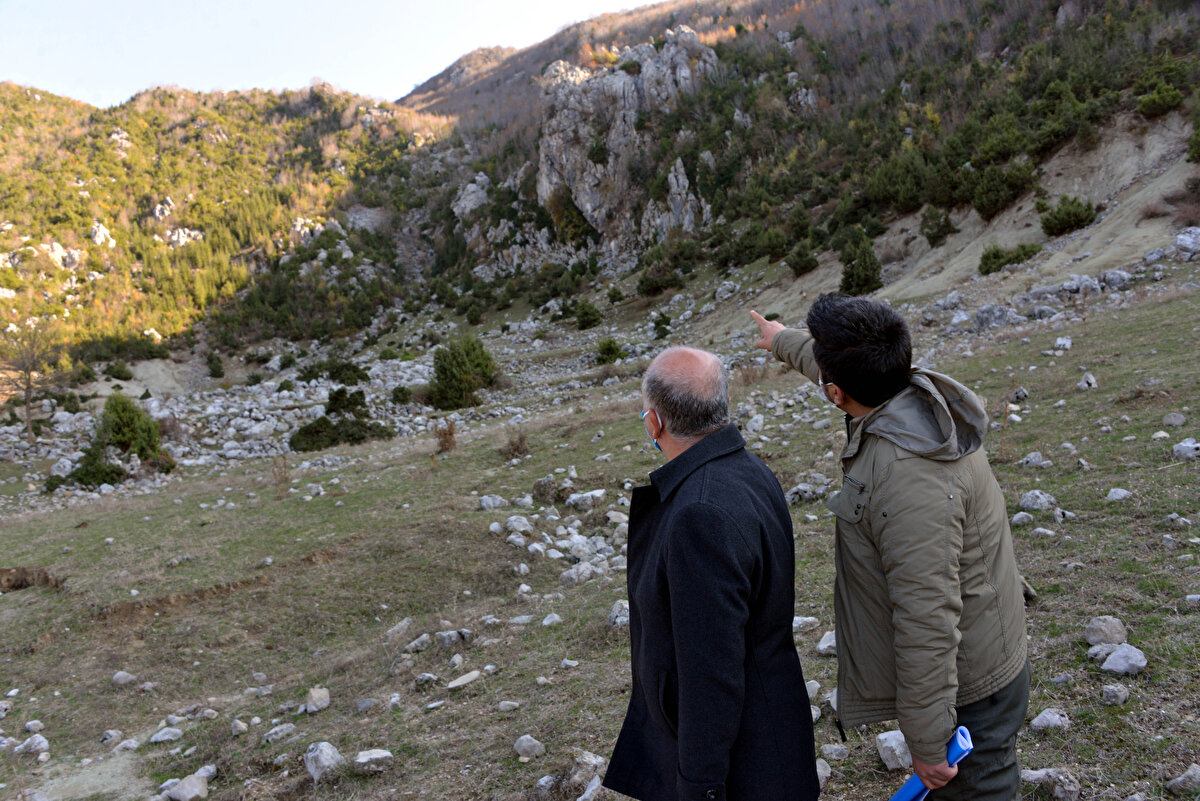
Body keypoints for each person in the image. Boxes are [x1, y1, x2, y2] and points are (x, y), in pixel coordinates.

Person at [750, 297, 1029, 800]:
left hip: (972, 689)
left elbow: (927, 615)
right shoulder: (901, 387)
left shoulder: (908, 478)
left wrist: (925, 742)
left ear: (837, 394)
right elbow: (826, 367)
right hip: (982, 648)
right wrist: (779, 340)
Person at [603, 346, 820, 801]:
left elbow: (710, 675)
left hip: (747, 764)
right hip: (773, 729)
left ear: (654, 422)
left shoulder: (699, 513)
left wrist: (700, 787)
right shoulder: (748, 469)